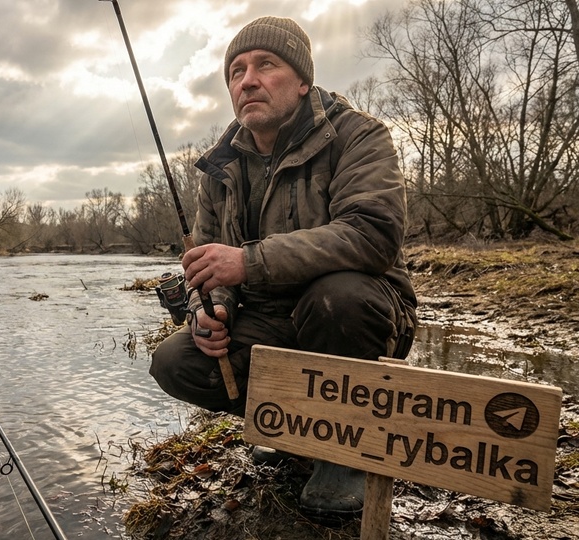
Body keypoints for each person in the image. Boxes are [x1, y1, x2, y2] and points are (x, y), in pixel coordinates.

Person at [149, 15, 418, 523]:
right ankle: (292, 427)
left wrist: (248, 263)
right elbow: (209, 259)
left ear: (302, 82)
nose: (246, 79)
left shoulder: (359, 135)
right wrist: (212, 312)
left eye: (265, 65)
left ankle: (346, 454)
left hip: (360, 316)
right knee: (175, 361)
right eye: (236, 71)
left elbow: (372, 235)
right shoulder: (219, 169)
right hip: (272, 322)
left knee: (338, 297)